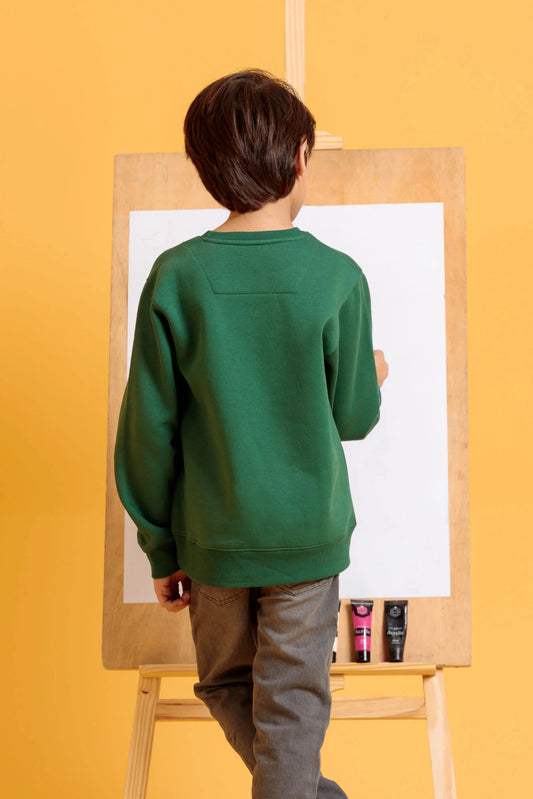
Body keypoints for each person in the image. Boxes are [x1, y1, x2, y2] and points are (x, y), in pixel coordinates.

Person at [114, 69, 388, 799]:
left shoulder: (177, 275)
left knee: (225, 684)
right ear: (300, 157)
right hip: (306, 541)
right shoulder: (337, 276)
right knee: (290, 707)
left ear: (206, 167)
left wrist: (160, 545)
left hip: (213, 540)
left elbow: (148, 428)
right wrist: (372, 371)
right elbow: (354, 417)